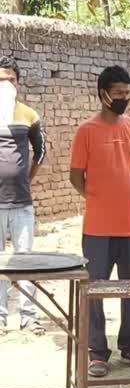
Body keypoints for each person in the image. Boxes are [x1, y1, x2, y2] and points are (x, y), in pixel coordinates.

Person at [70, 66, 130, 378]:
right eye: (118, 93)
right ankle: (96, 353)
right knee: (95, 291)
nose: (123, 98)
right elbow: (75, 176)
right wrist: (97, 197)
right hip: (98, 230)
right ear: (103, 94)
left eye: (127, 94)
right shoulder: (86, 131)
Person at [0, 55, 46, 336]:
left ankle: (29, 317)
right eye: (1, 80)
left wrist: (26, 180)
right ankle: (0, 317)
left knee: (26, 259)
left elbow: (41, 152)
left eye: (11, 80)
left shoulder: (29, 114)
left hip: (21, 204)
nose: (6, 84)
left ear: (19, 84)